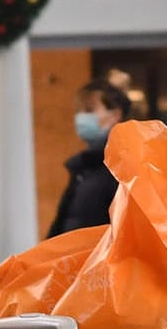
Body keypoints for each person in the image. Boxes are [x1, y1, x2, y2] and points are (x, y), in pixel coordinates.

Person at [48, 79, 129, 236]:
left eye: (89, 110)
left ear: (115, 115)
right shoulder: (85, 168)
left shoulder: (120, 166)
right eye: (79, 111)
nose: (81, 118)